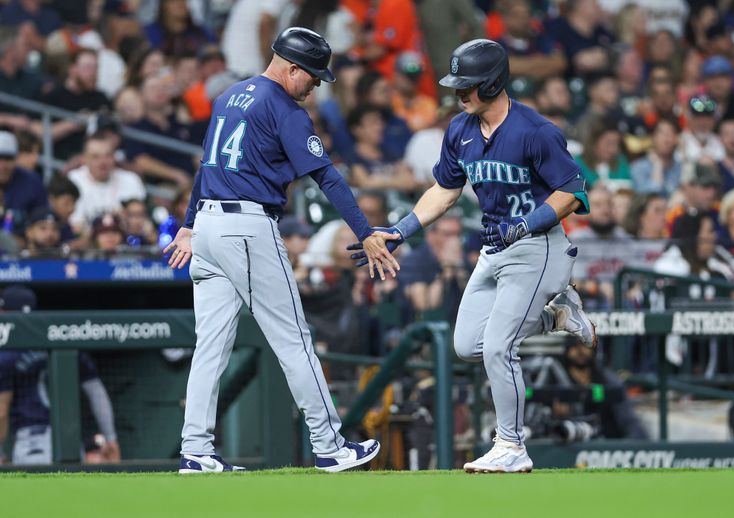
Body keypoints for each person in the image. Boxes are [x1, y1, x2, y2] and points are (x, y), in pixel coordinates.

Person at [348, 39, 597, 473]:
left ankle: (512, 444)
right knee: (468, 346)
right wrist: (402, 230)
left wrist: (529, 222)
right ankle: (557, 317)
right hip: (494, 248)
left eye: (468, 85)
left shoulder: (535, 130)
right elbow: (445, 190)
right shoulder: (460, 129)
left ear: (495, 83)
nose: (459, 92)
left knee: (500, 347)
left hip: (538, 248)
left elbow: (573, 192)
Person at [162, 27, 398, 474]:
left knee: (210, 345)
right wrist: (365, 230)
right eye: (312, 77)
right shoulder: (282, 107)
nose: (315, 86)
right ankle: (329, 445)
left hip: (209, 226)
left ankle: (195, 451)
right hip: (246, 227)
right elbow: (326, 176)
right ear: (292, 68)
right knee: (294, 339)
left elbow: (206, 165)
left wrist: (189, 223)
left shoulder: (231, 95)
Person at [0, 285, 120, 465]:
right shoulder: (63, 338)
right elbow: (97, 394)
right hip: (69, 443)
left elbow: (1, 411)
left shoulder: (8, 354)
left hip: (31, 444)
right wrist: (111, 438)